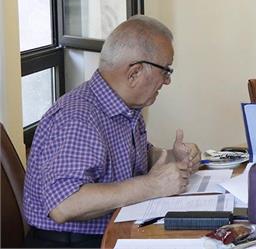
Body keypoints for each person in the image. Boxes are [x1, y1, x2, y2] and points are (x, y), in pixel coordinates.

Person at [23, 15, 200, 248]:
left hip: (111, 231)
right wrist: (152, 186)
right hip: (74, 244)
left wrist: (170, 156)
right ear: (134, 72)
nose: (167, 81)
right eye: (165, 71)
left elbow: (129, 158)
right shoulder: (78, 117)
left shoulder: (124, 107)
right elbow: (63, 204)